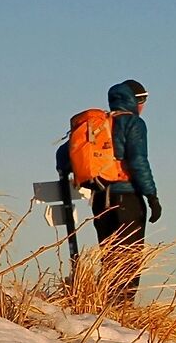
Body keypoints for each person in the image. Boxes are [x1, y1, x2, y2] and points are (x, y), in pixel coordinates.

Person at [54, 79, 161, 297]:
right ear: (135, 101)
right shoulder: (133, 123)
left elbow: (63, 156)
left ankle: (105, 304)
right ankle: (120, 308)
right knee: (128, 259)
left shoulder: (95, 125)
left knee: (110, 256)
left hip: (100, 199)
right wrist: (152, 196)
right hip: (127, 198)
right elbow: (138, 162)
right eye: (143, 100)